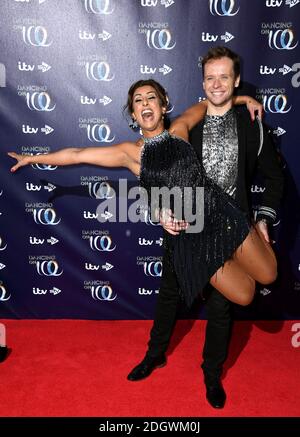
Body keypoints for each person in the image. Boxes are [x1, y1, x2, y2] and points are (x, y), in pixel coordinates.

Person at [8, 76, 277, 402]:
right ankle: (159, 356)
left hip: (221, 217)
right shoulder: (130, 154)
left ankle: (211, 372)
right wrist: (34, 159)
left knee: (268, 275)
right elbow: (78, 153)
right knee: (241, 295)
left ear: (163, 106)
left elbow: (209, 103)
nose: (145, 104)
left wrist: (242, 100)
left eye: (151, 98)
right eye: (138, 100)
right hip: (189, 240)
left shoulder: (180, 131)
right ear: (133, 114)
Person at [125, 48, 284, 410]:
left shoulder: (252, 125)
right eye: (210, 77)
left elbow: (275, 179)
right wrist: (160, 211)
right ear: (202, 82)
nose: (216, 84)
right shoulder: (187, 124)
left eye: (224, 77)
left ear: (236, 80)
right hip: (187, 227)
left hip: (234, 229)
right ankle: (154, 355)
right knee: (169, 297)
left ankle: (212, 374)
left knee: (222, 308)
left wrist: (263, 219)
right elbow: (156, 175)